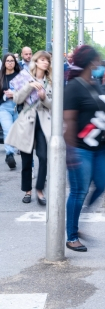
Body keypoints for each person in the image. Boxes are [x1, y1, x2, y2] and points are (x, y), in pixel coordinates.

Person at [64, 45, 105, 252]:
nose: (100, 62)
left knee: (101, 185)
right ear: (91, 61)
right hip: (81, 148)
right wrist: (71, 152)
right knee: (79, 191)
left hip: (99, 147)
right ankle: (72, 236)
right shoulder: (74, 87)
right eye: (98, 59)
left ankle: (79, 220)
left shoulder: (95, 84)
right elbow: (69, 120)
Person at [6, 51, 52, 205]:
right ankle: (28, 191)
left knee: (44, 157)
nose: (45, 62)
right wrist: (29, 86)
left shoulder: (50, 81)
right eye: (43, 60)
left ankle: (40, 190)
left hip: (43, 122)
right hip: (27, 121)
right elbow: (17, 99)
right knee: (26, 160)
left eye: (47, 60)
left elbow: (53, 105)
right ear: (36, 62)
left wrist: (44, 98)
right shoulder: (25, 77)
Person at [0, 54, 20, 169]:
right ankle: (9, 154)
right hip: (4, 108)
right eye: (7, 61)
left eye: (12, 61)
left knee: (16, 132)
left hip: (18, 106)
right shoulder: (1, 76)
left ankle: (15, 152)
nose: (10, 63)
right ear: (4, 63)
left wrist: (15, 94)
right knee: (8, 129)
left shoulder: (20, 76)